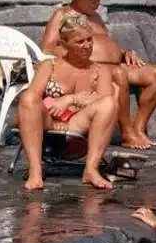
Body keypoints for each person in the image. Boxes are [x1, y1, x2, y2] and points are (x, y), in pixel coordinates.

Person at [41, 0, 156, 150]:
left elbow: (107, 43)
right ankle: (127, 134)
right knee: (119, 74)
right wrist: (83, 57)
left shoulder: (96, 17)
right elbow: (47, 48)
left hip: (116, 63)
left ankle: (138, 129)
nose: (97, 2)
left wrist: (124, 52)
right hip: (91, 67)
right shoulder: (62, 14)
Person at [18, 14, 119, 192]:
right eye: (80, 41)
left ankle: (91, 170)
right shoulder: (49, 66)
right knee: (28, 98)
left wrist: (69, 99)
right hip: (48, 121)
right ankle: (35, 171)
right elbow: (33, 96)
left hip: (78, 123)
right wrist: (57, 105)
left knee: (109, 103)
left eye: (89, 39)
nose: (87, 45)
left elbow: (104, 98)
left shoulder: (100, 70)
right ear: (64, 43)